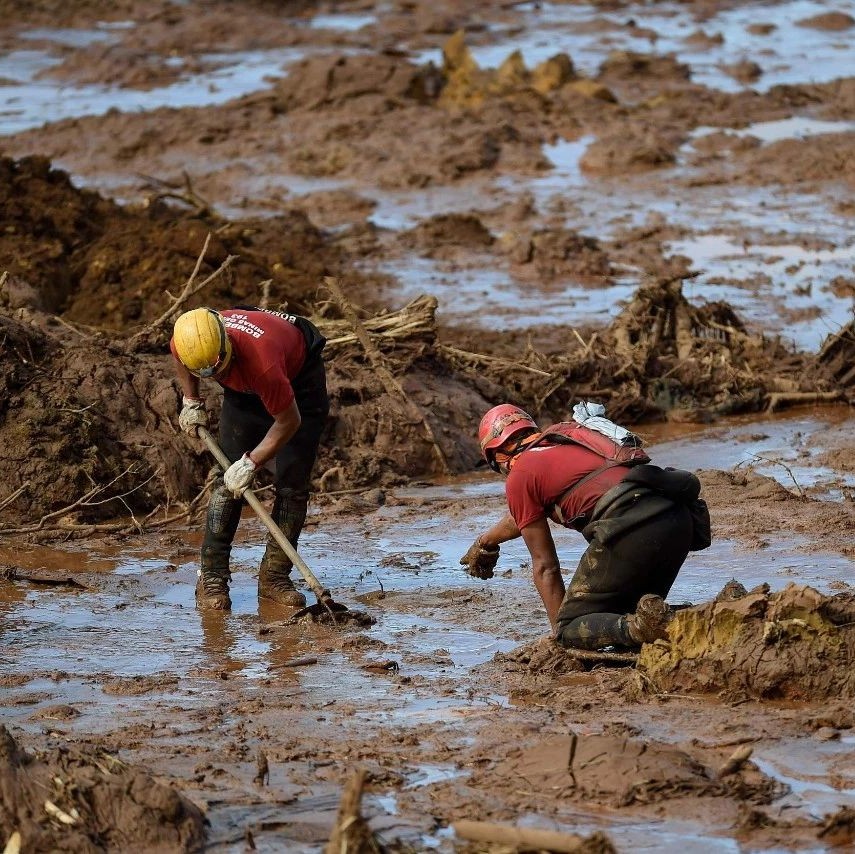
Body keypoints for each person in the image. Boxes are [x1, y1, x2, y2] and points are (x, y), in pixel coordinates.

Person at [460, 404, 709, 649]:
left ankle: (640, 628)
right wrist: (486, 542)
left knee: (573, 627)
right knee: (626, 612)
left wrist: (560, 635)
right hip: (678, 517)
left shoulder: (520, 475)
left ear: (497, 458)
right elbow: (521, 518)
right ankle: (708, 615)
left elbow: (546, 568)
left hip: (632, 526)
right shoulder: (568, 438)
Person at [171, 306, 329, 611]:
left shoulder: (263, 364)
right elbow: (180, 357)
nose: (214, 377)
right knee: (225, 480)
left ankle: (274, 578)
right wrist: (191, 399)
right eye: (205, 374)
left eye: (216, 369)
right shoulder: (188, 339)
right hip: (245, 383)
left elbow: (289, 421)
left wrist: (251, 462)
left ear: (227, 345)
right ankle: (212, 575)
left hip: (298, 380)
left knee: (292, 486)